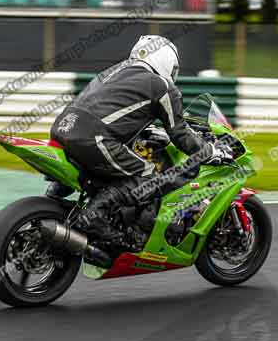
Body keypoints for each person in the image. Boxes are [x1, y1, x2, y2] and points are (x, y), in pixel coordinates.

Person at [50, 35, 228, 257]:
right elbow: (180, 133)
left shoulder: (116, 71)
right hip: (95, 139)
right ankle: (95, 216)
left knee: (109, 172)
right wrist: (210, 151)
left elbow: (115, 110)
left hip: (63, 128)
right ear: (165, 60)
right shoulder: (162, 86)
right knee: (150, 176)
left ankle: (55, 199)